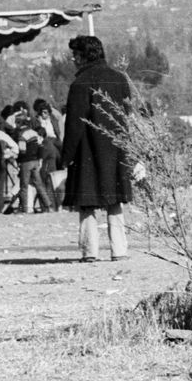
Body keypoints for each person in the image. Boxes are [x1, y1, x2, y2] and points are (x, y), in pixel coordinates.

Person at [60, 35, 141, 261]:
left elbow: (74, 124)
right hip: (116, 148)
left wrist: (66, 157)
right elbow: (127, 114)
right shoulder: (119, 79)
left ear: (84, 56)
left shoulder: (79, 84)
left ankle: (89, 253)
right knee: (115, 201)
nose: (73, 60)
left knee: (87, 203)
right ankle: (120, 250)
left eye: (76, 55)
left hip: (86, 150)